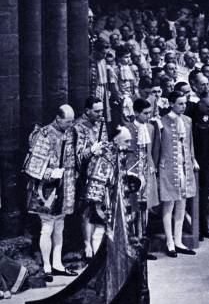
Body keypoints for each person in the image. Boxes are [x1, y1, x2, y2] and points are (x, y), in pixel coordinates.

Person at [24, 105, 78, 282]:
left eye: (72, 121)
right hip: (46, 189)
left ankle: (57, 263)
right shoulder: (45, 134)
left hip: (65, 185)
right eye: (68, 121)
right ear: (58, 118)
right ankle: (47, 266)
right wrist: (50, 173)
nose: (70, 125)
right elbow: (32, 165)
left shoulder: (70, 132)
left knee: (60, 226)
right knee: (46, 227)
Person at [156, 91, 197, 257]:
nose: (183, 106)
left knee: (182, 204)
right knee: (169, 204)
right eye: (180, 103)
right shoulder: (162, 122)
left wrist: (193, 160)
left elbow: (190, 144)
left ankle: (179, 241)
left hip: (184, 167)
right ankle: (169, 242)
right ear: (171, 103)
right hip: (168, 167)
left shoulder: (187, 121)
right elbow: (158, 147)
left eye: (185, 103)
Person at [83, 126, 135, 256]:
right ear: (117, 140)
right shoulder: (104, 154)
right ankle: (97, 259)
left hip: (114, 197)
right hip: (102, 198)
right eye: (126, 141)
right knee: (100, 228)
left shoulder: (118, 152)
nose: (129, 145)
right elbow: (97, 180)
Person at [73, 97, 108, 261]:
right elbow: (76, 155)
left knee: (100, 207)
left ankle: (98, 243)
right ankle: (87, 244)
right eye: (97, 111)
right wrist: (91, 150)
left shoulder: (101, 124)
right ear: (87, 111)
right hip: (85, 174)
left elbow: (106, 143)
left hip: (101, 172)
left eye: (101, 110)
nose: (100, 114)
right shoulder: (78, 127)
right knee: (87, 209)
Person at [125, 99, 160, 259]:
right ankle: (132, 246)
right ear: (136, 113)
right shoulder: (126, 129)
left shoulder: (151, 128)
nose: (148, 116)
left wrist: (151, 167)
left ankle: (143, 246)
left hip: (146, 172)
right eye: (145, 113)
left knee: (145, 208)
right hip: (132, 174)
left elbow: (150, 151)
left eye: (149, 113)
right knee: (133, 210)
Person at [189, 89, 209, 240]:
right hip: (194, 159)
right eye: (208, 106)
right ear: (200, 100)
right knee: (193, 195)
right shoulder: (191, 112)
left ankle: (204, 227)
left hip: (208, 160)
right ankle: (194, 228)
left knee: (204, 196)